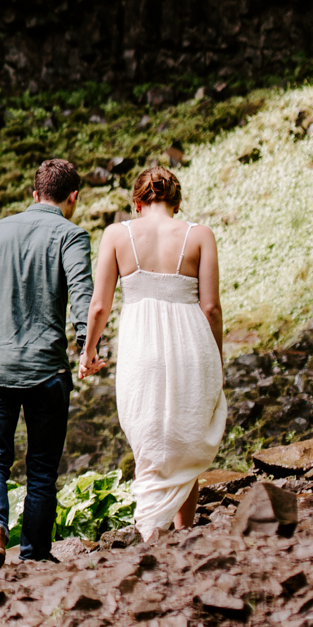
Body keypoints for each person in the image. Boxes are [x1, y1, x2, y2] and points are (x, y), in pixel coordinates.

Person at [79, 164, 227, 539]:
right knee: (185, 434)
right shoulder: (200, 235)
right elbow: (211, 308)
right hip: (191, 343)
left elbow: (99, 306)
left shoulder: (116, 234)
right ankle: (184, 530)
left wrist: (88, 351)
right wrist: (217, 360)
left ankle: (150, 530)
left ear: (137, 202)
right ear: (175, 202)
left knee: (150, 435)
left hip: (140, 345)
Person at [0, 158, 94, 569]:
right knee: (41, 470)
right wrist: (86, 347)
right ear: (72, 197)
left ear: (33, 192)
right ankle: (36, 554)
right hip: (46, 371)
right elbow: (82, 295)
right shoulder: (71, 235)